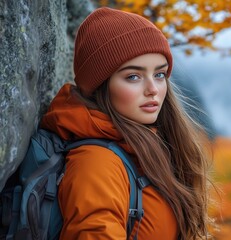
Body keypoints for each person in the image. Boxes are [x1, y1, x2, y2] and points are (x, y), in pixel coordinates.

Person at [40, 7, 212, 239]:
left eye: (159, 74)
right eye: (133, 76)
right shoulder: (97, 163)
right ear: (102, 86)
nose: (153, 89)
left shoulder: (146, 147)